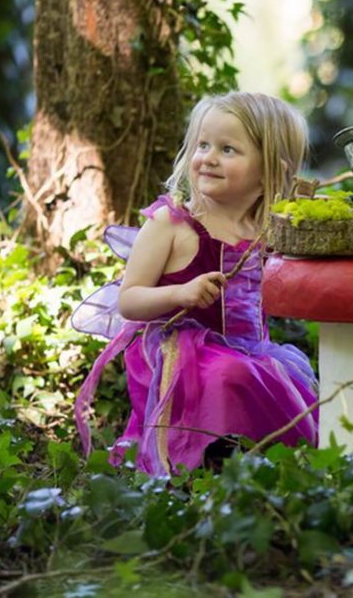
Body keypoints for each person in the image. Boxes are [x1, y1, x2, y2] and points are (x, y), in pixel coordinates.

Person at [72, 92, 318, 476]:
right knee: (228, 375)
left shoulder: (266, 231)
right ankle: (205, 466)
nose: (209, 157)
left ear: (269, 170)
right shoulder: (170, 224)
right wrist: (180, 293)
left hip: (252, 350)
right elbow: (129, 301)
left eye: (228, 149)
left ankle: (265, 465)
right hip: (180, 351)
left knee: (279, 382)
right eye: (202, 145)